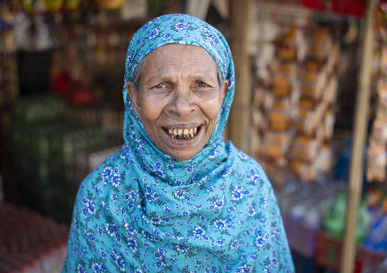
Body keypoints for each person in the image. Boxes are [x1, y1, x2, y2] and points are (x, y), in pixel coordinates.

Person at [62, 13, 295, 273]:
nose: (182, 107)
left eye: (201, 85)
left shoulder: (250, 185)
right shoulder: (101, 196)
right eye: (161, 85)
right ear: (134, 98)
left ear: (224, 94)